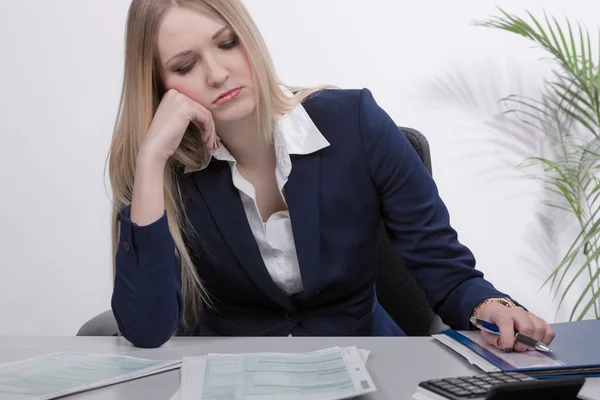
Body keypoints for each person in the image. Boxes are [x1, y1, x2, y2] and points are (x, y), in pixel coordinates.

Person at [108, 0, 555, 349]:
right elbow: (146, 330)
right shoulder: (162, 168)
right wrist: (149, 164)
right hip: (237, 378)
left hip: (369, 365)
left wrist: (490, 306)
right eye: (185, 66)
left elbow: (444, 268)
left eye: (227, 43)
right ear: (159, 86)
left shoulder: (355, 123)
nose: (218, 73)